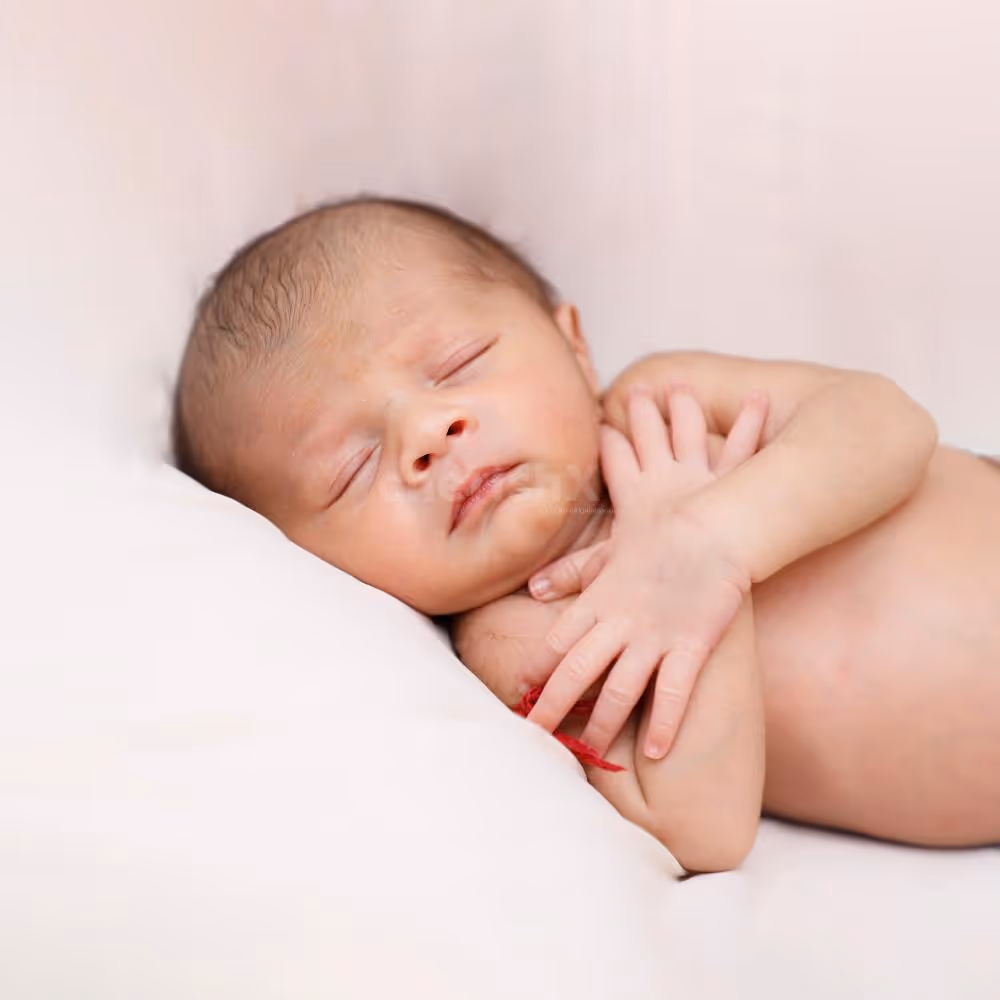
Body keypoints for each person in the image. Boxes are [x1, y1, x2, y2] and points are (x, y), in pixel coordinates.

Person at [172, 194, 1000, 874]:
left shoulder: (659, 403)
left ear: (573, 343)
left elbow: (890, 425)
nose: (428, 431)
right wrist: (688, 581)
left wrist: (715, 537)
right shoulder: (517, 634)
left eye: (458, 362)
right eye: (350, 470)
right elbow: (699, 828)